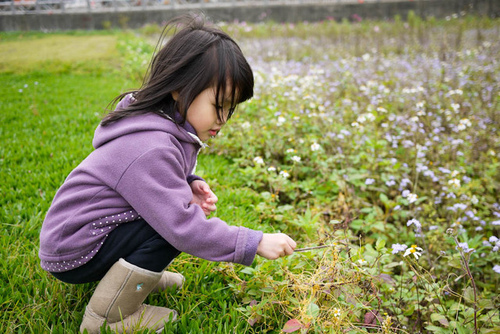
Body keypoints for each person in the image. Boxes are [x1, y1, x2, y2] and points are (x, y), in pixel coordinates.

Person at [38, 13, 296, 334]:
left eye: (232, 107)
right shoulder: (151, 146)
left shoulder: (162, 123)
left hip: (80, 236)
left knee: (167, 218)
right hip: (77, 250)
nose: (225, 118)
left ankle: (131, 279)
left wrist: (190, 182)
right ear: (178, 88)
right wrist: (254, 242)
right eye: (219, 105)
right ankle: (106, 317)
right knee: (170, 227)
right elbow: (182, 228)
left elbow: (153, 179)